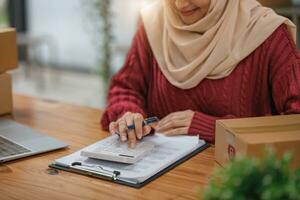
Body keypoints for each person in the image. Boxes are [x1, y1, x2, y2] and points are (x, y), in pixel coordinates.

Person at [101, 0, 300, 148]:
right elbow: (125, 88)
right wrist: (129, 114)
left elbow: (295, 124)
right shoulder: (155, 23)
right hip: (159, 181)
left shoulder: (268, 34)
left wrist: (214, 128)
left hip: (236, 183)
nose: (179, 5)